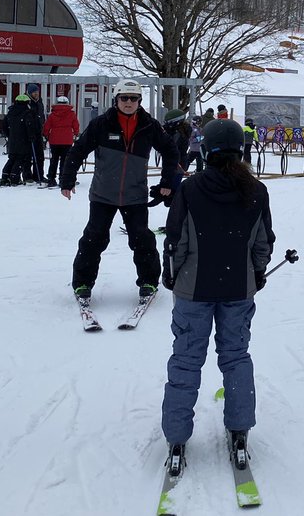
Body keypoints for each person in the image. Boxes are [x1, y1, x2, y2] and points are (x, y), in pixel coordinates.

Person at [160, 118, 275, 471]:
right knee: (236, 356)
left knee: (186, 359)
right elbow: (263, 242)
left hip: (193, 289)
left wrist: (171, 275)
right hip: (237, 288)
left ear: (206, 150)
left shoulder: (190, 189)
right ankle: (240, 427)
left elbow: (176, 241)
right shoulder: (256, 191)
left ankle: (177, 434)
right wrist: (257, 272)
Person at [61, 79, 181, 301]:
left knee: (142, 240)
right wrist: (67, 179)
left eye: (133, 98)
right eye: (124, 98)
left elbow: (170, 151)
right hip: (103, 194)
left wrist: (167, 182)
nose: (128, 102)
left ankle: (148, 281)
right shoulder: (101, 124)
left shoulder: (149, 125)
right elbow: (78, 150)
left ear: (139, 101)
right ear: (116, 100)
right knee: (93, 239)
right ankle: (82, 283)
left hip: (135, 195)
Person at [0, 94, 40, 186]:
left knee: (11, 159)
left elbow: (4, 126)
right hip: (24, 141)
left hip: (12, 140)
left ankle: (5, 176)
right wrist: (32, 136)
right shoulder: (27, 113)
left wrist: (9, 135)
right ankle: (15, 178)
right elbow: (29, 126)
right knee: (20, 159)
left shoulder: (10, 113)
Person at [42, 95, 81, 188]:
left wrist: (45, 135)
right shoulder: (71, 114)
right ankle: (63, 179)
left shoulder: (52, 114)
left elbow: (47, 126)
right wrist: (76, 134)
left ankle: (51, 179)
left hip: (54, 140)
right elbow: (76, 125)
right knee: (65, 161)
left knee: (54, 160)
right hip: (67, 140)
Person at [24, 83, 46, 182]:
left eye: (37, 92)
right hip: (28, 134)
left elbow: (42, 116)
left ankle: (39, 175)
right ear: (30, 93)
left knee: (40, 156)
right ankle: (27, 176)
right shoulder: (26, 103)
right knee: (28, 156)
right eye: (34, 92)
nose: (36, 94)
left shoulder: (39, 102)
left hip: (39, 132)